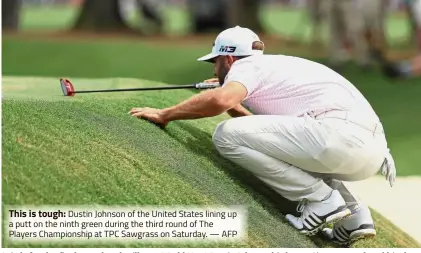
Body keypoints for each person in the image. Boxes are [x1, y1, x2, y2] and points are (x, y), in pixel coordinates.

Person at [129, 26, 397, 244]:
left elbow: (220, 100)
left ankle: (322, 201)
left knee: (225, 135)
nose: (214, 70)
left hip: (339, 138)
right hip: (369, 152)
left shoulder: (247, 67)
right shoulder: (277, 68)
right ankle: (356, 218)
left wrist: (166, 115)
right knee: (278, 145)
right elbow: (270, 138)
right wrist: (233, 103)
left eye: (215, 62)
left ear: (229, 59)